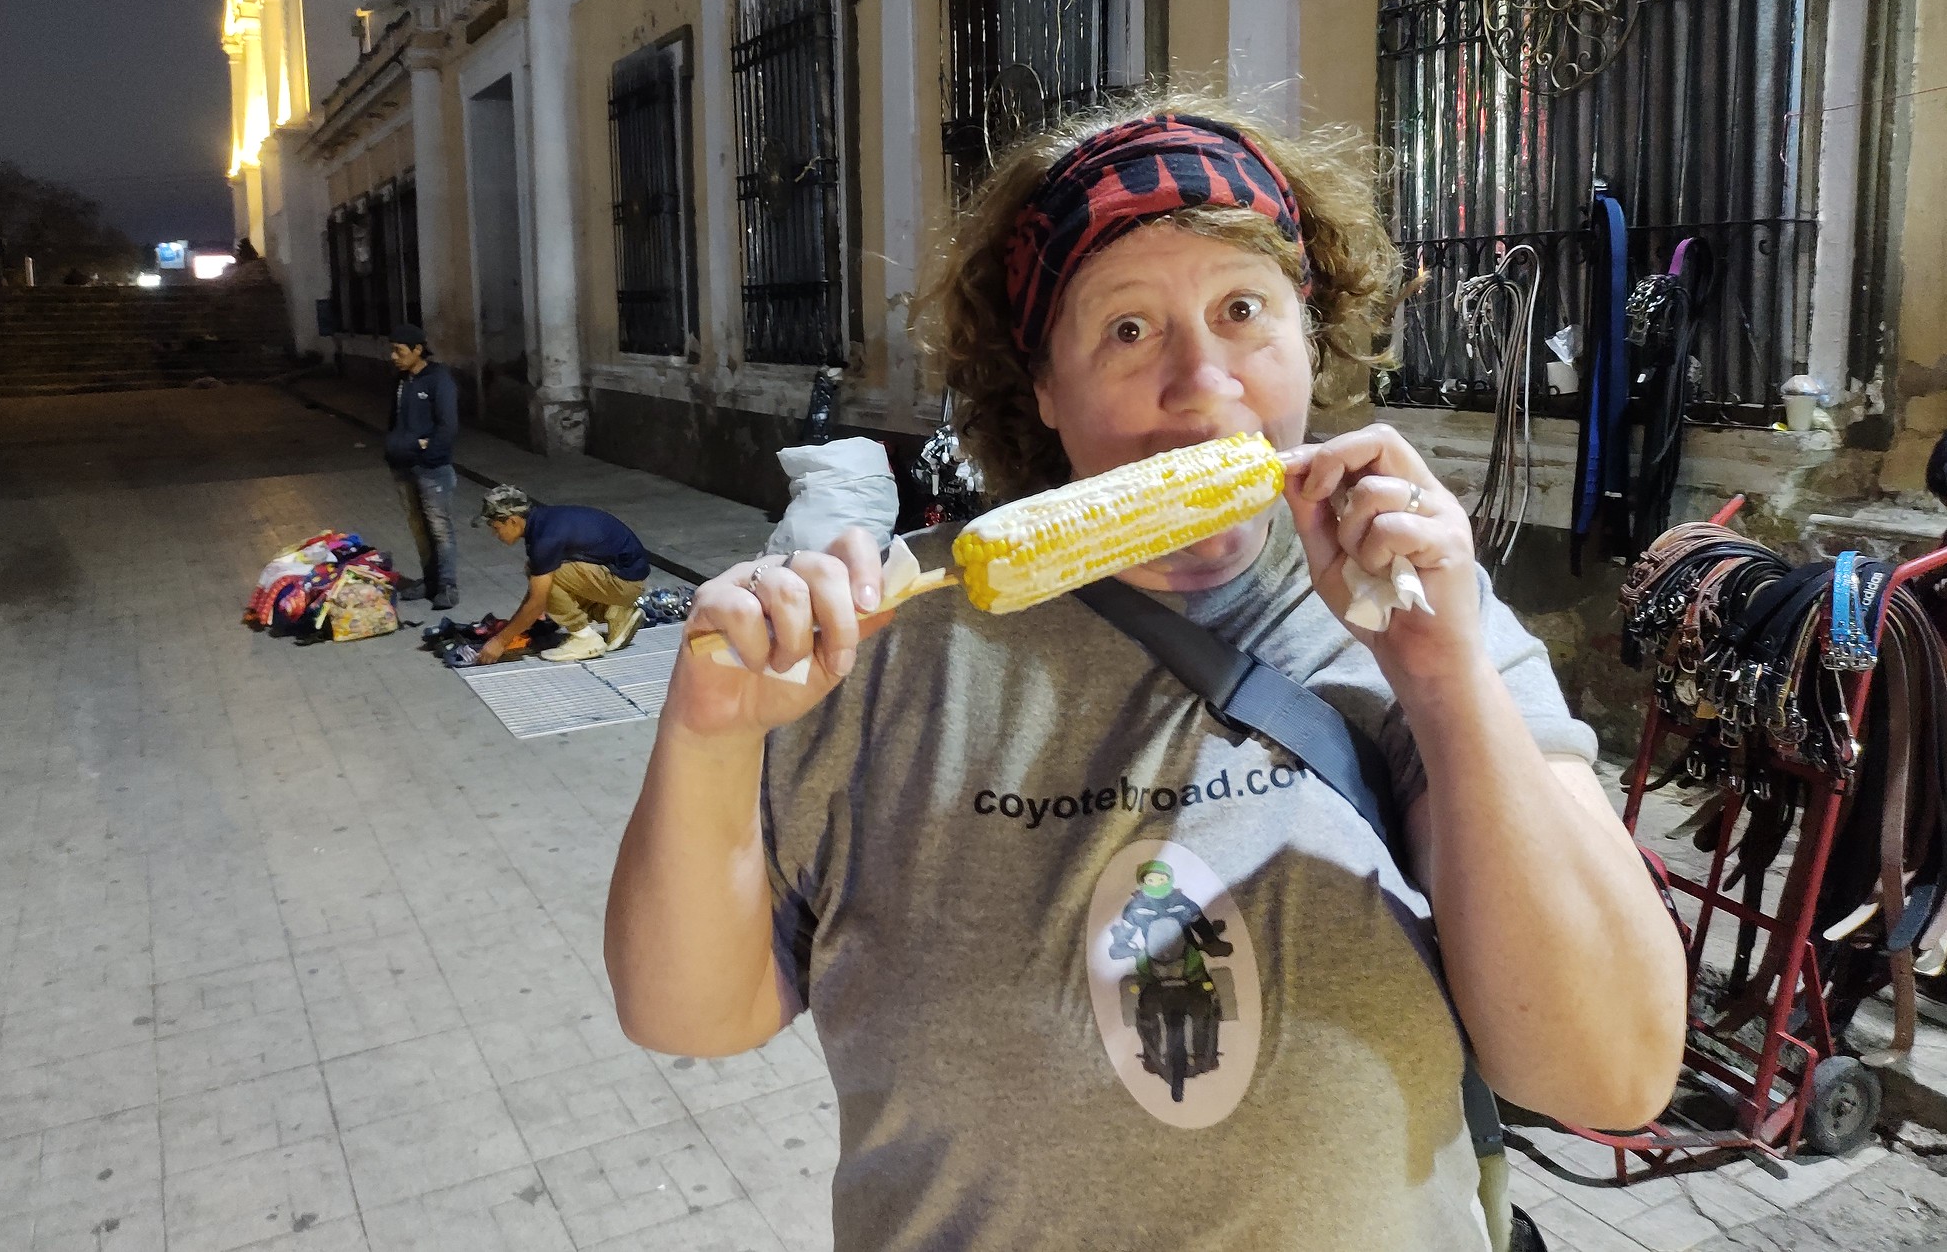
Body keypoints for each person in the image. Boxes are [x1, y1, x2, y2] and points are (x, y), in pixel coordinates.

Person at [604, 102, 1687, 1251]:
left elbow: (1609, 1074)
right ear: (1042, 390)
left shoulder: (1415, 615)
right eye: (1127, 329)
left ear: (1309, 339)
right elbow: (693, 1015)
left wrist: (1446, 675)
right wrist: (710, 741)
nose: (1201, 381)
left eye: (1241, 310)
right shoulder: (875, 639)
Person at [475, 484, 651, 664]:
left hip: (626, 582)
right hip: (625, 575)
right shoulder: (543, 520)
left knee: (549, 578)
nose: (495, 534)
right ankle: (615, 613)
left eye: (496, 527)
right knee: (541, 573)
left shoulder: (545, 540)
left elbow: (537, 602)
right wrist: (514, 627)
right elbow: (535, 593)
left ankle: (585, 639)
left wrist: (500, 641)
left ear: (512, 520)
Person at [385, 323, 459, 610]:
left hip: (432, 469)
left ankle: (447, 586)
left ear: (417, 350)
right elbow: (395, 420)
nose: (394, 356)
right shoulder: (402, 380)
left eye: (399, 350)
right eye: (392, 350)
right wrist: (393, 448)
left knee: (440, 528)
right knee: (418, 527)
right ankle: (429, 582)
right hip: (403, 466)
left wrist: (424, 449)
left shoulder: (438, 379)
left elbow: (448, 426)